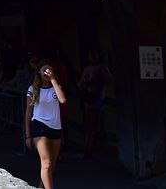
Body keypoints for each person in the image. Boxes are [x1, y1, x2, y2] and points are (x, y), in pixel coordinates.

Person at [25, 61, 67, 189]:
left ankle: (40, 187)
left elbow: (63, 100)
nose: (47, 72)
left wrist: (53, 79)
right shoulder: (33, 89)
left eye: (49, 70)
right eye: (44, 70)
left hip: (55, 127)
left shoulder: (56, 87)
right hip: (39, 125)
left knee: (52, 165)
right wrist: (28, 135)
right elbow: (28, 112)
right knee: (47, 163)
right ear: (39, 72)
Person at [77, 50, 112, 159]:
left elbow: (109, 80)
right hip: (90, 95)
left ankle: (89, 149)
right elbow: (80, 83)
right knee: (90, 124)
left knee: (93, 124)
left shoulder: (101, 68)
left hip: (96, 96)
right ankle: (87, 148)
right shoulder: (89, 69)